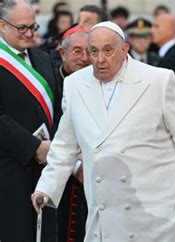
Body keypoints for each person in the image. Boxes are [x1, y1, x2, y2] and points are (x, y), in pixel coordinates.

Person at [31, 21, 175, 241]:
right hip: (105, 208)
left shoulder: (159, 80)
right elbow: (65, 144)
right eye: (94, 51)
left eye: (107, 50)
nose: (100, 59)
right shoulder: (75, 84)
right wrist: (46, 188)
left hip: (156, 208)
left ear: (124, 50)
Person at [0, 0, 61, 241]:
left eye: (33, 27)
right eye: (22, 28)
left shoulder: (42, 59)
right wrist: (34, 147)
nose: (29, 34)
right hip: (10, 168)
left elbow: (59, 107)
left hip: (47, 167)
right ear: (2, 26)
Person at [56, 25, 90, 242]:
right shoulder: (53, 83)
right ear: (62, 53)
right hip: (63, 176)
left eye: (89, 51)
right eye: (77, 51)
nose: (84, 58)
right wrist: (76, 166)